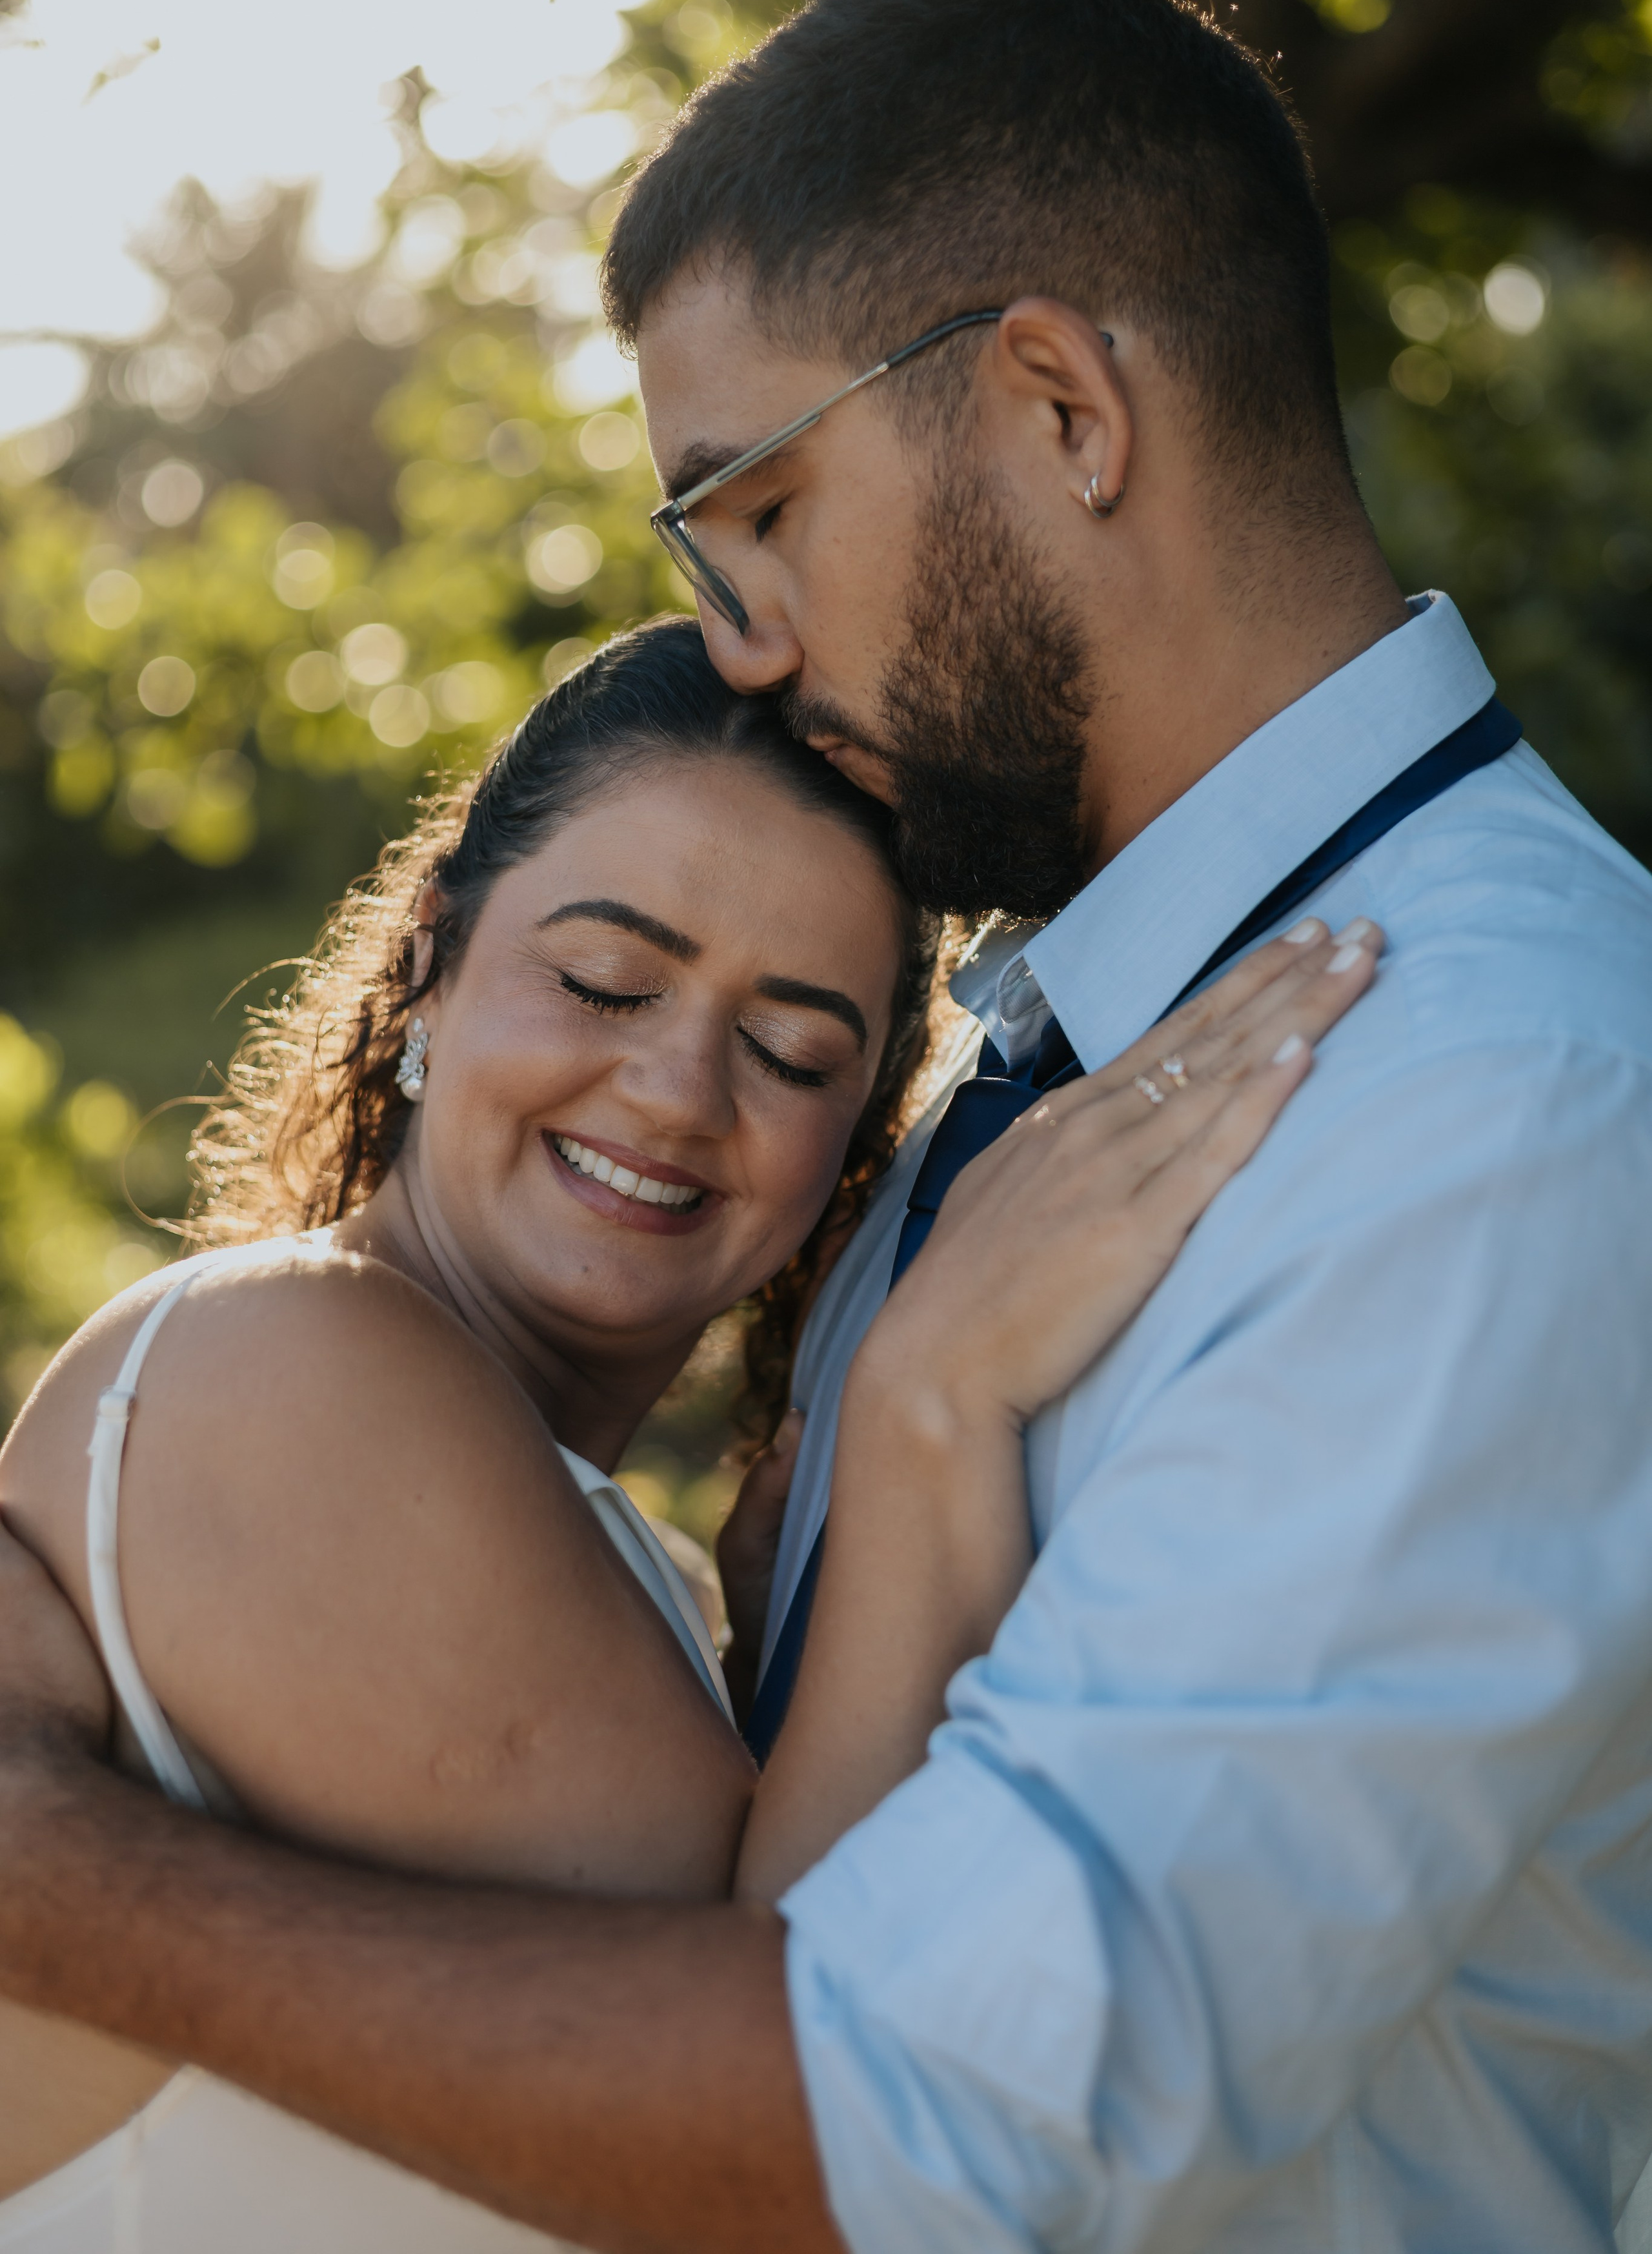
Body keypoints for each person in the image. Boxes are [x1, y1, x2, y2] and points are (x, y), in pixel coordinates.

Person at [0, 0, 1651, 2254]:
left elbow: (922, 2130)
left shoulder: (1489, 1100)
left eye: (758, 508)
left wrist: (58, 1884)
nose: (741, 641)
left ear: (1063, 408)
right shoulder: (1057, 1045)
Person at [0, 609, 1362, 2248]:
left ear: (853, 1141)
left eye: (790, 1052)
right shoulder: (284, 1361)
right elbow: (787, 2118)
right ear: (431, 961)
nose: (673, 1091)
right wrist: (931, 1396)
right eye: (602, 981)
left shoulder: (564, 1527)